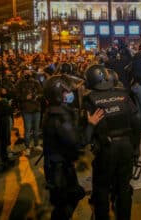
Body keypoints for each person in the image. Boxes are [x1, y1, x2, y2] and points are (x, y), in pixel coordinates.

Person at [42, 75, 104, 220]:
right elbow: (79, 142)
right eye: (66, 92)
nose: (70, 94)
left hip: (59, 165)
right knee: (65, 203)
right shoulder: (60, 117)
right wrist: (91, 125)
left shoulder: (53, 111)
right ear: (58, 95)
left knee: (72, 196)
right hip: (59, 169)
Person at [83, 65, 141, 220]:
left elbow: (85, 132)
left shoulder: (89, 99)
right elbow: (137, 121)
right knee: (124, 188)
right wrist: (136, 147)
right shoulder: (123, 95)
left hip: (106, 149)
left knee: (102, 189)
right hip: (126, 146)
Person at [15, 67, 43, 156]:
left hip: (36, 108)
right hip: (26, 109)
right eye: (25, 72)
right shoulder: (19, 83)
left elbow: (41, 92)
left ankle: (36, 144)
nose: (27, 74)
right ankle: (27, 147)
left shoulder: (35, 82)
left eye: (28, 72)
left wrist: (35, 96)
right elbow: (16, 95)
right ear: (22, 73)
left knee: (36, 129)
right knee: (27, 130)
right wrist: (25, 97)